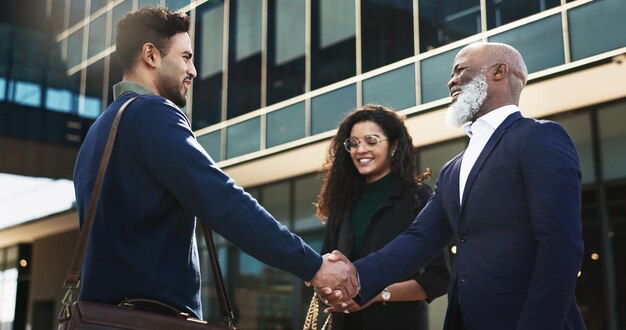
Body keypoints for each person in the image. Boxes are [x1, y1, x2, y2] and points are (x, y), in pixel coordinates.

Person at [72, 6, 357, 321]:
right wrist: (313, 266)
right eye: (186, 57)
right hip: (150, 320)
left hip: (102, 319)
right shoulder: (152, 114)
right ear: (150, 55)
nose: (193, 70)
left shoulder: (99, 131)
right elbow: (223, 200)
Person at [320, 42, 585, 329]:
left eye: (461, 70)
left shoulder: (539, 138)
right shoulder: (453, 169)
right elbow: (419, 240)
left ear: (499, 71)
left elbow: (560, 245)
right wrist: (355, 275)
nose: (451, 81)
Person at [316, 105, 450, 329]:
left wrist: (379, 294)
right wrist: (326, 291)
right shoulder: (343, 202)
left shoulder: (418, 197)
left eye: (371, 141)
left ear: (394, 146)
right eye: (354, 143)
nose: (360, 150)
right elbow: (325, 264)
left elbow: (439, 277)